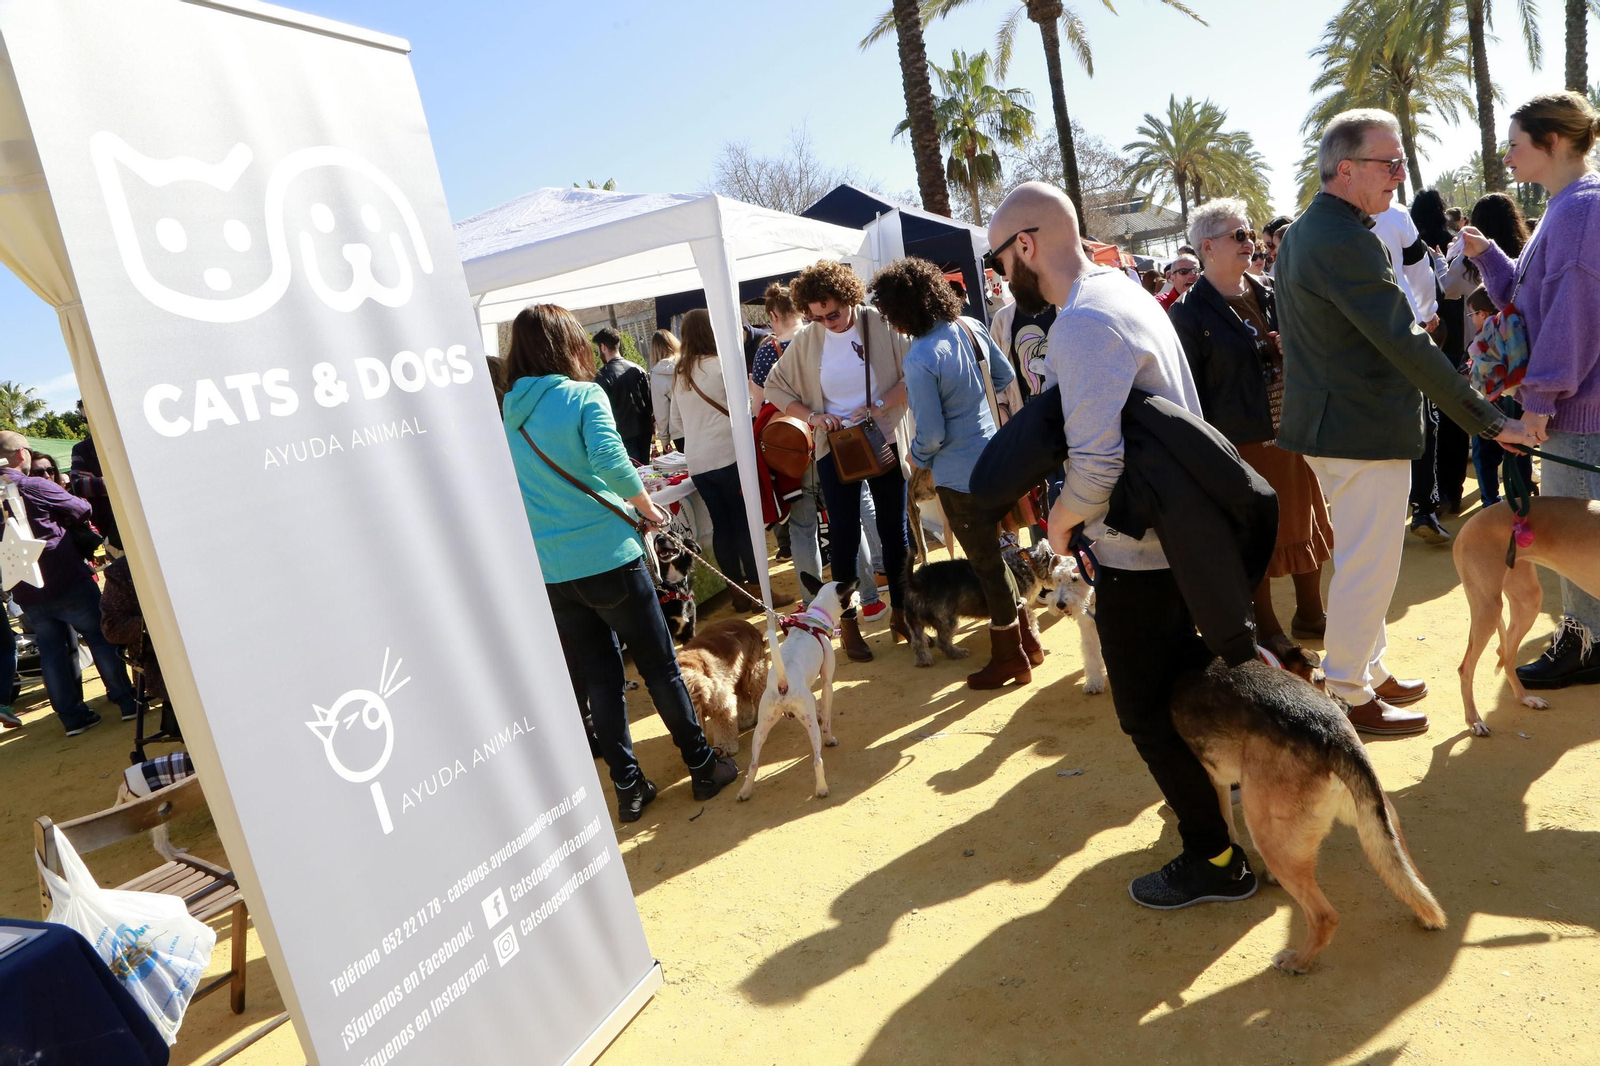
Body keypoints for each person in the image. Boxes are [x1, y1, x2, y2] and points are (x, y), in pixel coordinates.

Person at [987, 181, 1257, 910]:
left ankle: (1217, 857)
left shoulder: (1082, 323)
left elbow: (1097, 464)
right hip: (1173, 535)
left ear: (1027, 246)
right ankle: (1240, 816)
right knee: (1192, 687)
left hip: (1142, 550)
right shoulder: (1122, 292)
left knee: (1144, 711)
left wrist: (1059, 524)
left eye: (997, 257)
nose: (995, 273)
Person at [1274, 108, 1533, 736]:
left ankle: (1364, 667)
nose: (1400, 173)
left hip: (1337, 425)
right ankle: (1347, 690)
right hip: (1359, 430)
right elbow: (1405, 343)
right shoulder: (1343, 237)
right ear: (1345, 168)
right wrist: (1488, 418)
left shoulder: (1319, 229)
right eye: (1387, 162)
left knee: (1363, 558)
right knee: (1370, 563)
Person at [500, 305, 737, 821]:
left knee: (602, 680)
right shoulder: (582, 395)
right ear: (568, 343)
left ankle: (629, 788)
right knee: (660, 667)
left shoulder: (507, 413)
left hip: (556, 572)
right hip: (608, 557)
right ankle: (701, 766)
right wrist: (650, 510)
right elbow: (610, 459)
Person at [1461, 90, 1600, 690]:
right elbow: (1531, 297)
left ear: (1552, 142)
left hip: (1580, 411)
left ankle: (1586, 643)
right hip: (1575, 404)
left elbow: (1572, 313)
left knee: (1575, 539)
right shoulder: (1567, 207)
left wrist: (1539, 402)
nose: (1508, 157)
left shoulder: (1577, 211)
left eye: (1516, 144)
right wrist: (1490, 257)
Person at [1171, 199, 1332, 662]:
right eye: (1237, 236)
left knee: (1305, 522)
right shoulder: (1189, 313)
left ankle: (1312, 613)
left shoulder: (1270, 293)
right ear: (1207, 247)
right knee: (1257, 536)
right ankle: (1269, 628)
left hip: (1291, 432)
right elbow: (1189, 391)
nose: (1250, 242)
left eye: (1248, 234)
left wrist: (1290, 351)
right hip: (1238, 443)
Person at [871, 256, 1035, 688]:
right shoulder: (971, 327)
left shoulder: (921, 357)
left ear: (900, 311)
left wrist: (916, 459)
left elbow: (933, 433)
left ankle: (1012, 656)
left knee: (987, 566)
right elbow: (1002, 377)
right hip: (997, 461)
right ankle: (1028, 643)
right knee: (999, 557)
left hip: (960, 478)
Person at [764, 260, 914, 663]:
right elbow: (774, 386)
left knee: (894, 532)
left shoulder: (880, 323)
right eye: (817, 316)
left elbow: (913, 371)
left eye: (833, 313)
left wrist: (880, 405)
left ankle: (902, 615)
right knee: (843, 537)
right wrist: (811, 416)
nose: (827, 322)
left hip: (882, 439)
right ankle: (848, 626)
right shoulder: (809, 339)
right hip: (835, 447)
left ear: (850, 297)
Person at [751, 285, 886, 618]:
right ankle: (870, 598)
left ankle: (813, 609)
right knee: (849, 520)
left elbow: (759, 407)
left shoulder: (768, 351)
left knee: (803, 528)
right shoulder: (819, 339)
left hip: (793, 451)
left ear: (772, 316)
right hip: (832, 438)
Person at [0, 431, 138, 736]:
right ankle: (126, 701)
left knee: (51, 649)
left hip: (23, 583)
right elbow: (82, 509)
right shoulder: (32, 485)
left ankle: (73, 718)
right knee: (100, 636)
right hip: (64, 573)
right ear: (22, 455)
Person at [1442, 192, 1536, 506]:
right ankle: (1521, 497)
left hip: (1486, 363)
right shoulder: (1525, 255)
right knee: (1522, 437)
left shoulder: (1470, 261)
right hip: (1523, 365)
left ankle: (1488, 498)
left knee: (1486, 438)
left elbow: (1448, 289)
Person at [672, 308, 765, 605]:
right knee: (743, 523)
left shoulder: (680, 373)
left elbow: (676, 423)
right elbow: (747, 407)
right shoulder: (722, 365)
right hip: (728, 455)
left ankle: (738, 592)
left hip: (698, 462)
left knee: (722, 526)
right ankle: (758, 590)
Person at [1372, 199, 1451, 543]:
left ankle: (1382, 514)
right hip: (1404, 327)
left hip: (1355, 338)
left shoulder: (1319, 218)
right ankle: (1423, 508)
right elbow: (1419, 269)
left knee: (1374, 422)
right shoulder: (1396, 212)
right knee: (1422, 417)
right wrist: (1427, 312)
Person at [1412, 188, 1471, 516]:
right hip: (1457, 341)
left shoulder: (1409, 246)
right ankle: (1453, 490)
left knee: (1425, 420)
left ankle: (1425, 495)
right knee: (1456, 417)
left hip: (1423, 342)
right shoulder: (1453, 242)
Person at [592, 327, 655, 465]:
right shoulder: (637, 369)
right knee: (645, 468)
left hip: (622, 433)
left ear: (602, 347)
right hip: (644, 428)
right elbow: (649, 402)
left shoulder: (602, 376)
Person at [647, 329, 683, 454]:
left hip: (679, 430)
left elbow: (661, 410)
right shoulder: (688, 362)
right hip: (701, 423)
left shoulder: (657, 374)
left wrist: (664, 438)